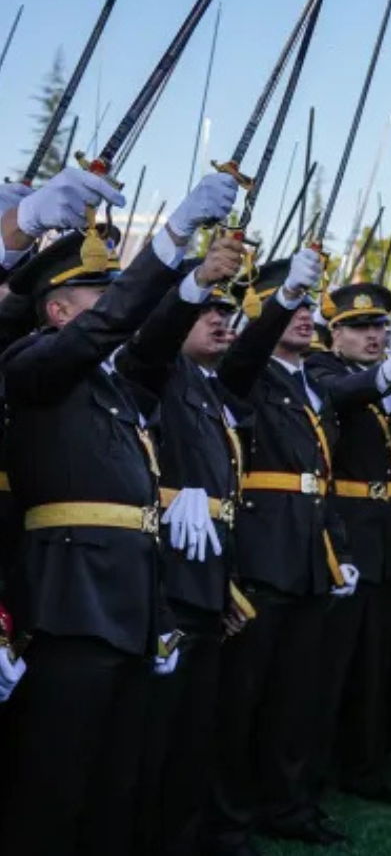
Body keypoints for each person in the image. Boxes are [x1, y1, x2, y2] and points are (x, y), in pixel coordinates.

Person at [0, 168, 238, 854]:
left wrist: (190, 278)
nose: (114, 310)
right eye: (97, 296)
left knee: (117, 782)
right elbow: (110, 328)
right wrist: (167, 240)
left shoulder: (118, 386)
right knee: (56, 784)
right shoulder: (33, 363)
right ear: (58, 310)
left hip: (132, 601)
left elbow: (153, 339)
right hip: (70, 600)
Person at [205, 248, 361, 853]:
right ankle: (230, 820)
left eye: (305, 306)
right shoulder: (241, 371)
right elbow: (244, 354)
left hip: (309, 556)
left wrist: (337, 548)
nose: (303, 317)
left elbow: (321, 478)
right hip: (262, 555)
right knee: (244, 701)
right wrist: (282, 298)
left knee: (299, 699)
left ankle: (290, 806)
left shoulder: (314, 382)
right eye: (286, 306)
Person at [114, 239, 258, 856]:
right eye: (207, 312)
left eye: (226, 312)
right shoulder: (158, 370)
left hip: (207, 574)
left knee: (197, 728)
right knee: (158, 730)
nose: (220, 320)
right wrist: (191, 283)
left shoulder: (208, 388)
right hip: (167, 575)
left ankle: (186, 836)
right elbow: (147, 347)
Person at [305, 282, 391, 810]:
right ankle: (312, 775)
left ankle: (365, 767)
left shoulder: (384, 379)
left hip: (383, 532)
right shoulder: (321, 370)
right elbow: (343, 394)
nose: (373, 335)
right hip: (343, 534)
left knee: (374, 666)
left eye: (379, 326)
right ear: (334, 334)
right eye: (360, 328)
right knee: (329, 667)